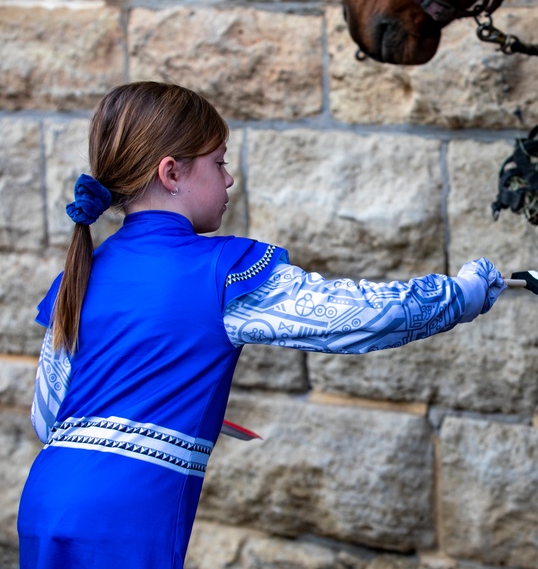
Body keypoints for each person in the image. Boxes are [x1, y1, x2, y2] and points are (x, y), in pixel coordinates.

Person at [17, 81, 507, 568]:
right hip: (124, 514)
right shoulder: (219, 268)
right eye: (219, 162)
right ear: (171, 173)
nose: (229, 179)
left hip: (45, 498)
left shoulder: (80, 273)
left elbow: (49, 416)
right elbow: (355, 317)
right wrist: (462, 294)